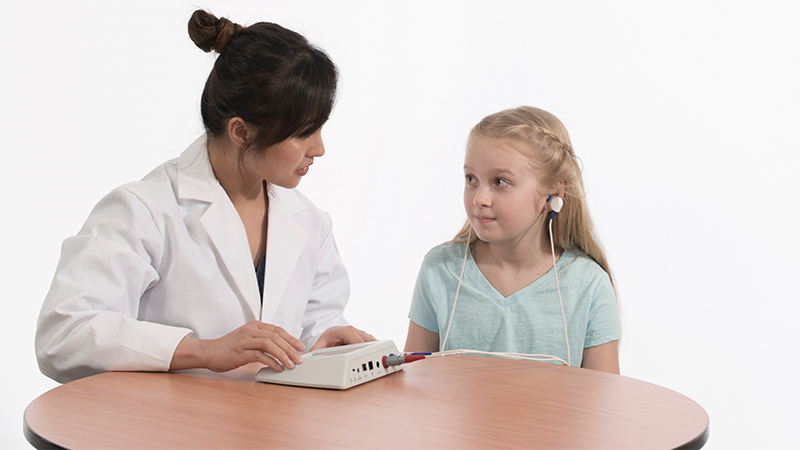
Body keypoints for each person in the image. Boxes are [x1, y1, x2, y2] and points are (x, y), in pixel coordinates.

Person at [36, 10, 374, 384]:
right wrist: (204, 351)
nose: (319, 149)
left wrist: (325, 344)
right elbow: (63, 335)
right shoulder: (145, 210)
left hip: (273, 420)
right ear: (241, 132)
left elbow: (312, 329)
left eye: (320, 128)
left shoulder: (310, 223)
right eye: (304, 132)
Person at [404, 106, 620, 373]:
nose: (479, 198)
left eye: (500, 182)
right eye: (471, 178)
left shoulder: (588, 284)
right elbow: (412, 381)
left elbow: (604, 396)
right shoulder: (440, 269)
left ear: (553, 193)